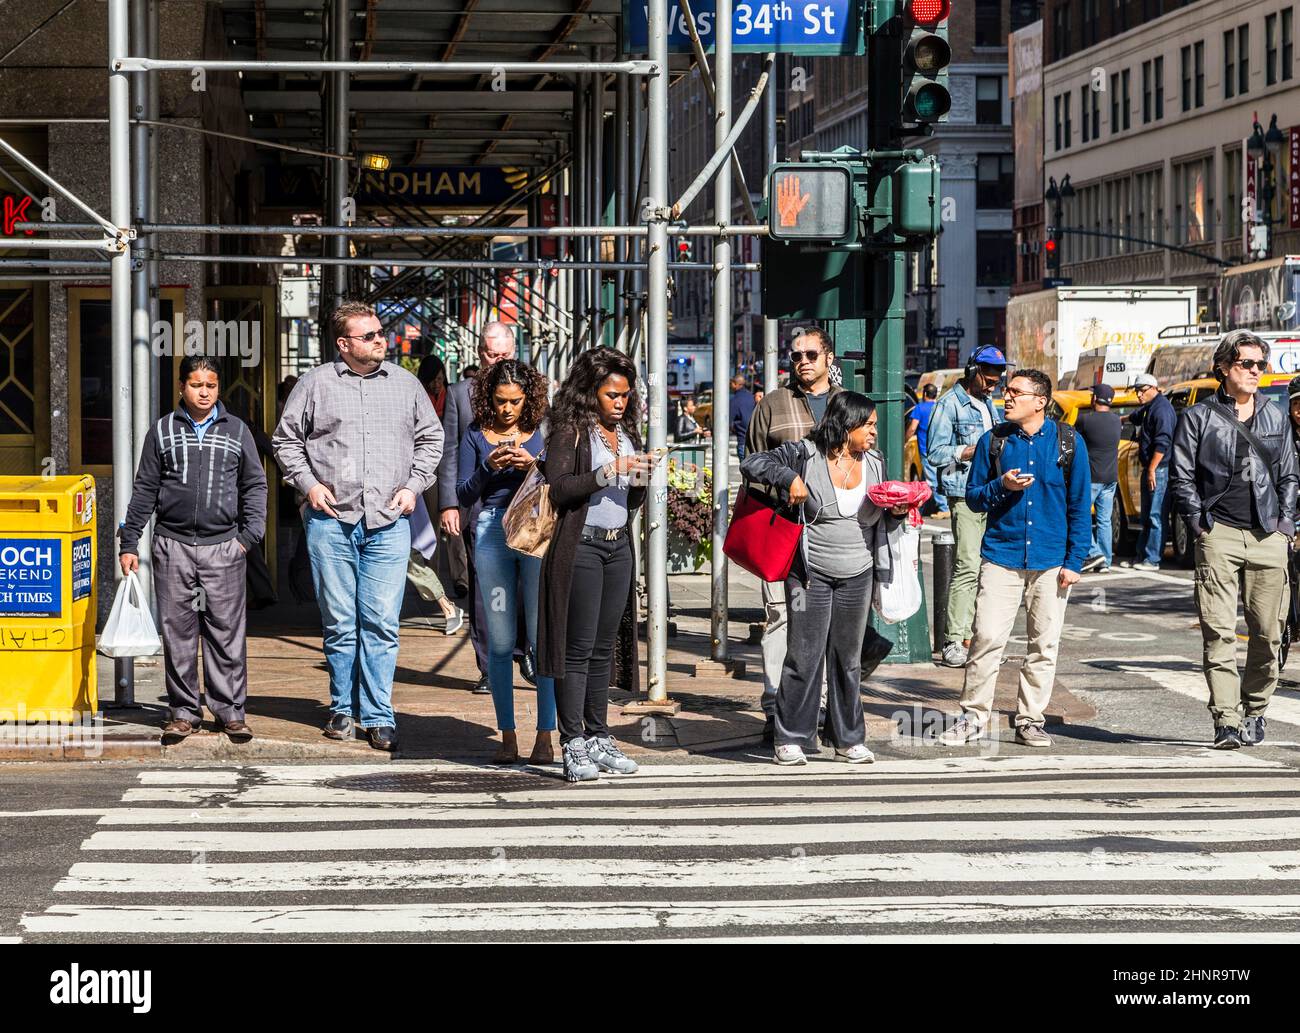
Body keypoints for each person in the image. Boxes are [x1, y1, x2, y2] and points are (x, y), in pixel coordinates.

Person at [273, 300, 443, 752]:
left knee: (383, 623)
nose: (380, 340)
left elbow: (432, 438)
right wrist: (308, 484)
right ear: (343, 344)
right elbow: (285, 440)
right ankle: (341, 709)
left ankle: (378, 714)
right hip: (332, 522)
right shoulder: (315, 384)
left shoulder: (406, 385)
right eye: (368, 336)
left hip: (388, 522)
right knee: (340, 622)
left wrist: (414, 486)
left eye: (380, 332)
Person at [741, 392, 906, 766]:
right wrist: (788, 478)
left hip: (858, 572)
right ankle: (791, 737)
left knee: (847, 658)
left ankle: (847, 738)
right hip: (808, 573)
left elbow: (883, 519)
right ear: (846, 426)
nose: (874, 433)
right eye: (868, 426)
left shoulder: (875, 463)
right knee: (804, 654)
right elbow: (752, 463)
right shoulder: (805, 453)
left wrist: (896, 511)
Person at [939, 369, 1091, 749]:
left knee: (1044, 644)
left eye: (1016, 392)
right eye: (1006, 391)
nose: (1006, 397)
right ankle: (973, 716)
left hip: (1051, 560)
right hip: (1001, 556)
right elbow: (972, 497)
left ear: (1040, 401)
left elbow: (1079, 505)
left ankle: (1030, 720)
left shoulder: (1068, 442)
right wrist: (1000, 486)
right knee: (987, 637)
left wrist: (1075, 561)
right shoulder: (993, 440)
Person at [120, 355, 268, 745]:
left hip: (225, 547)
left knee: (226, 632)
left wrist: (248, 537)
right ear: (182, 387)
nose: (204, 392)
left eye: (212, 385)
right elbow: (145, 489)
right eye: (197, 385)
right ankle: (183, 712)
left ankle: (230, 712)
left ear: (219, 389)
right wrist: (129, 541)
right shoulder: (163, 431)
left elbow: (255, 484)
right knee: (178, 632)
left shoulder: (236, 431)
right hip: (173, 545)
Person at [1169, 330, 1299, 749]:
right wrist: (1199, 524)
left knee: (1268, 632)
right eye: (1247, 364)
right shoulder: (1199, 417)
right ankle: (1226, 720)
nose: (1256, 371)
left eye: (1261, 364)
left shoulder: (1276, 417)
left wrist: (1285, 524)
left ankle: (1256, 707)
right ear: (1224, 366)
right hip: (1218, 532)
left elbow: (1289, 476)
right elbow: (1182, 476)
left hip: (1267, 534)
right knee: (1219, 631)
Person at [538, 347, 653, 782]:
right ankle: (572, 742)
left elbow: (632, 499)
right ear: (590, 392)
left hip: (617, 546)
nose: (620, 402)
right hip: (580, 547)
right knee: (578, 648)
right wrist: (609, 472)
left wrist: (642, 473)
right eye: (611, 394)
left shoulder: (626, 434)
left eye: (626, 394)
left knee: (605, 648)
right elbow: (561, 487)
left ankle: (599, 736)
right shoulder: (571, 430)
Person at [744, 327, 843, 742]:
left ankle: (817, 707)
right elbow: (752, 460)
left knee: (827, 623)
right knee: (781, 618)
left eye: (810, 354)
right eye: (796, 354)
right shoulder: (773, 405)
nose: (802, 361)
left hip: (836, 532)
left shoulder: (845, 404)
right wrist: (784, 488)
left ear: (828, 358)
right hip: (786, 528)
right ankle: (776, 706)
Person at [457, 359, 557, 765]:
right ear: (488, 399)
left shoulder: (544, 432)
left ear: (528, 398)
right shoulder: (474, 435)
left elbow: (561, 479)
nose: (507, 410)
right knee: (499, 642)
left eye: (515, 401)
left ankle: (546, 735)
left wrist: (533, 465)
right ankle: (508, 735)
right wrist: (488, 466)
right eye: (500, 402)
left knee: (541, 637)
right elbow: (463, 493)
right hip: (493, 533)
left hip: (534, 532)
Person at [436, 322, 519, 694]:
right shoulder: (459, 395)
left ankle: (524, 650)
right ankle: (488, 666)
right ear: (479, 352)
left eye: (503, 353)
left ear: (513, 351)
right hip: (478, 504)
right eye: (490, 353)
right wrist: (449, 504)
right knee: (485, 589)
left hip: (523, 503)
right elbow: (448, 453)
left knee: (523, 583)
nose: (497, 359)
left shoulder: (533, 392)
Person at [925, 345, 1008, 667]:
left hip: (993, 491)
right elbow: (935, 452)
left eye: (996, 381)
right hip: (964, 492)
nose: (992, 385)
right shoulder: (950, 405)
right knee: (968, 565)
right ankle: (954, 639)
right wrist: (970, 451)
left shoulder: (989, 404)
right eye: (988, 379)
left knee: (991, 568)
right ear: (973, 372)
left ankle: (979, 637)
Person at [1125, 372, 1176, 571]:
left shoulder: (1162, 410)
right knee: (1146, 515)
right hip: (1151, 468)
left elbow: (1163, 443)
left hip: (1160, 469)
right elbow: (1136, 416)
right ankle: (1142, 555)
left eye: (1142, 390)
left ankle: (1152, 559)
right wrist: (1121, 419)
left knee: (1156, 515)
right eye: (1136, 391)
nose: (1138, 395)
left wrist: (1153, 469)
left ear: (1154, 388)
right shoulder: (1149, 407)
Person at [1076, 382, 1123, 573]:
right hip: (1110, 477)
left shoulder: (1086, 420)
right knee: (1105, 520)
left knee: (1081, 515)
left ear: (1095, 398)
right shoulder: (1116, 421)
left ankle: (1095, 554)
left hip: (1091, 477)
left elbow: (1073, 440)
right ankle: (1106, 561)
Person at [907, 383, 947, 515]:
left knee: (932, 480)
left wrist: (904, 439)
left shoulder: (919, 408)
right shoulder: (940, 407)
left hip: (926, 450)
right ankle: (922, 508)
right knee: (925, 481)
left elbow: (913, 427)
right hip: (940, 449)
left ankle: (944, 508)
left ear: (924, 394)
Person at [729, 374, 756, 460]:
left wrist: (734, 428)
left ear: (735, 384)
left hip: (742, 441)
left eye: (731, 384)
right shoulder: (752, 397)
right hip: (755, 441)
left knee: (745, 471)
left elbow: (728, 421)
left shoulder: (735, 400)